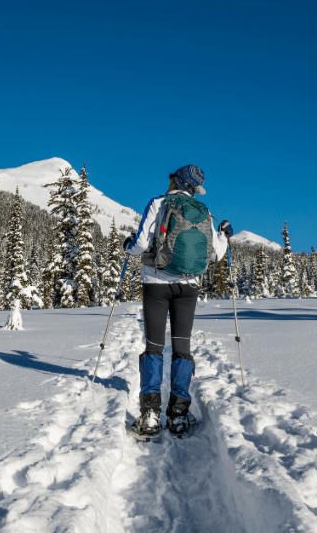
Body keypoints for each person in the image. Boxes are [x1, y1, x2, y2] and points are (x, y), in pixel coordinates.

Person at [123, 165, 231, 438]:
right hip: (188, 287)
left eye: (171, 177)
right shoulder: (204, 212)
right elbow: (216, 255)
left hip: (156, 284)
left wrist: (127, 245)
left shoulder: (159, 203)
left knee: (154, 347)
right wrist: (223, 235)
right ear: (194, 188)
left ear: (175, 180)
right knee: (182, 348)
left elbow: (140, 244)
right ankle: (179, 415)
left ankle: (149, 415)